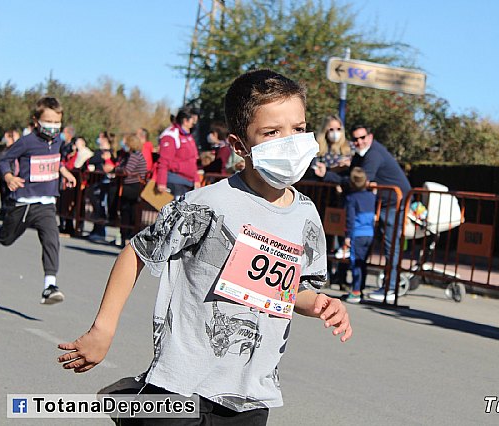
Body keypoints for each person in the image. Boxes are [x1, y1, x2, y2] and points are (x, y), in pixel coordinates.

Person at [57, 69, 352, 425]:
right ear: (239, 146)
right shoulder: (206, 204)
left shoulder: (305, 215)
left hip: (249, 391)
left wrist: (319, 303)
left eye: (298, 128)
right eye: (272, 132)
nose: (290, 141)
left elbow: (291, 290)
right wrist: (102, 329)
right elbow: (136, 253)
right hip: (183, 381)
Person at [314, 124, 412, 302]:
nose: (359, 141)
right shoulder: (361, 155)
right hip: (380, 204)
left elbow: (357, 181)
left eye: (362, 138)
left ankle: (391, 289)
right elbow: (353, 176)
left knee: (391, 245)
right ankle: (361, 288)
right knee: (368, 248)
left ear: (370, 136)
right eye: (356, 139)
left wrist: (327, 175)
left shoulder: (373, 154)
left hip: (393, 202)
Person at [0, 97, 76, 304]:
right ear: (36, 120)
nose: (53, 127)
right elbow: (4, 159)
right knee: (5, 239)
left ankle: (50, 286)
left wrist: (64, 172)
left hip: (46, 203)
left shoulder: (58, 141)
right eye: (48, 122)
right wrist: (8, 176)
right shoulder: (27, 141)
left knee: (52, 240)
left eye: (57, 122)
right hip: (23, 203)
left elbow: (55, 160)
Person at [343, 167, 376, 303]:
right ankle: (360, 289)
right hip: (370, 233)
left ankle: (356, 291)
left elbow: (350, 219)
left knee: (355, 262)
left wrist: (347, 236)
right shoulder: (372, 196)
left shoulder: (351, 198)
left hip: (357, 233)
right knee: (362, 263)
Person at [155, 107, 201, 198]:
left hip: (188, 182)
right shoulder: (171, 135)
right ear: (185, 120)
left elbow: (192, 160)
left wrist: (196, 178)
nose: (194, 123)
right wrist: (161, 181)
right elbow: (164, 160)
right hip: (175, 181)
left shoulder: (188, 137)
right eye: (193, 119)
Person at [114, 133, 147, 246]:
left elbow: (126, 171)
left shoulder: (134, 156)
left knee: (127, 211)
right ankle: (127, 236)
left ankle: (126, 236)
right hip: (134, 186)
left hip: (132, 186)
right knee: (130, 212)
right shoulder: (137, 155)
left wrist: (117, 169)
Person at [86, 131, 117, 242]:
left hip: (105, 183)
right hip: (96, 183)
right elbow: (91, 160)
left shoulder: (111, 153)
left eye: (100, 137)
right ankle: (96, 230)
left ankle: (100, 232)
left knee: (101, 207)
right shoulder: (100, 152)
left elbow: (110, 165)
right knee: (97, 207)